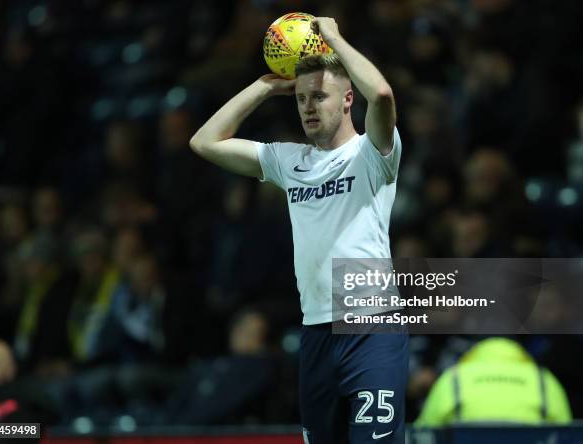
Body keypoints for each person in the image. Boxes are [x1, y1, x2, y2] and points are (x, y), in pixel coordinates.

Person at [190, 17, 408, 444]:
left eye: (320, 96)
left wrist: (335, 40)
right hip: (316, 332)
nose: (308, 106)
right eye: (301, 98)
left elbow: (381, 93)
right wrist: (267, 86)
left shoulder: (371, 153)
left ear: (347, 100)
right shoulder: (290, 162)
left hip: (372, 328)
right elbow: (205, 142)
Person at [414, 337, 572, 426]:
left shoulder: (453, 377)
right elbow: (569, 434)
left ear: (472, 356)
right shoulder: (543, 379)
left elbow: (424, 432)